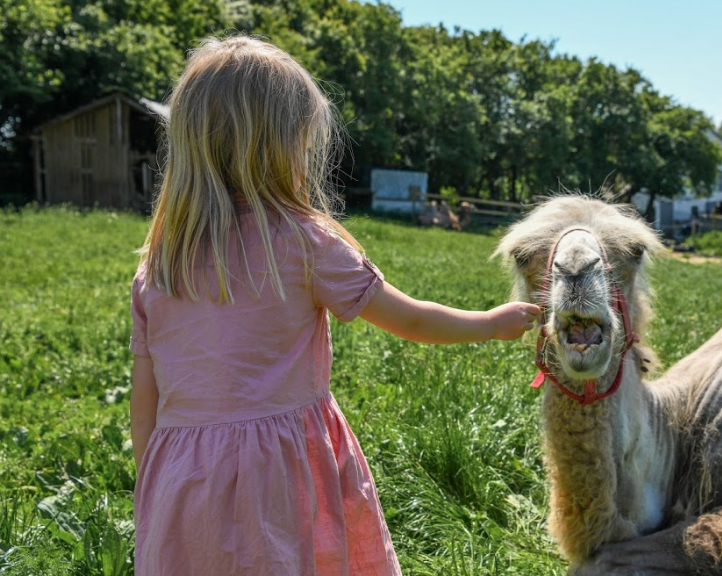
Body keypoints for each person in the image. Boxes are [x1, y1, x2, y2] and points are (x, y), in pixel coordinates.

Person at [128, 36, 539, 576]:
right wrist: (489, 323)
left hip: (182, 477)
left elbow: (146, 391)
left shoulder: (161, 261)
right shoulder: (304, 242)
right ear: (280, 143)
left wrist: (152, 479)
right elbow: (410, 318)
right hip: (278, 473)